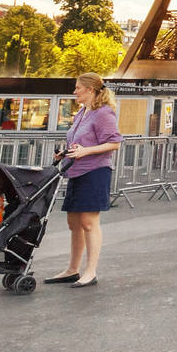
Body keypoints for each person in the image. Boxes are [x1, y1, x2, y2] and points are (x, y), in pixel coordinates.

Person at [49, 73, 123, 289]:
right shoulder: (82, 112)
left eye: (78, 88)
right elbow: (79, 143)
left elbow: (115, 143)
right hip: (76, 170)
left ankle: (90, 271)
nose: (75, 92)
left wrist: (86, 151)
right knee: (74, 223)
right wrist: (66, 153)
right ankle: (72, 269)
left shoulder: (103, 113)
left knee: (89, 223)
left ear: (90, 90)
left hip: (95, 171)